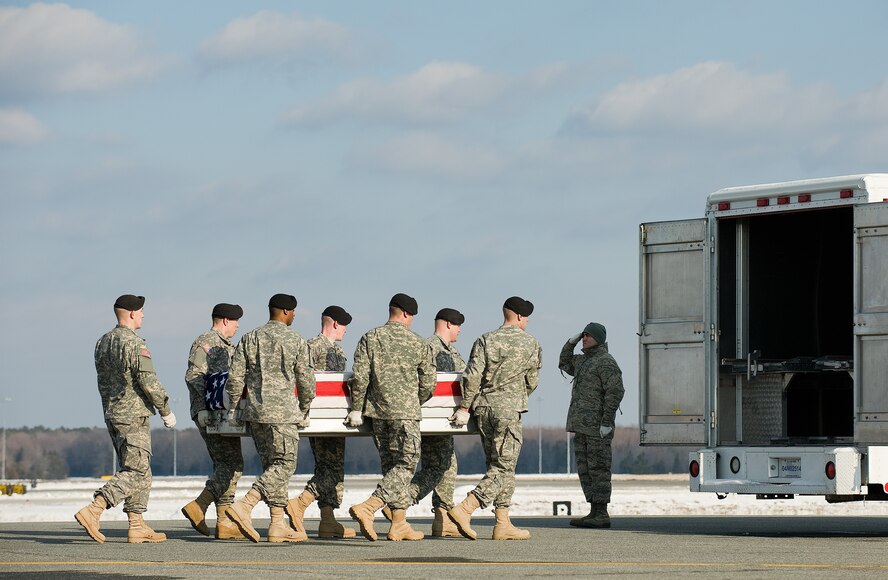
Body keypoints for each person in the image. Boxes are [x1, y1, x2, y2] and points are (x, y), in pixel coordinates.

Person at [75, 294, 176, 544]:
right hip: (133, 414)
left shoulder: (103, 342)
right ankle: (95, 509)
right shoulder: (134, 343)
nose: (143, 315)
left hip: (113, 411)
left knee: (140, 468)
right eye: (140, 311)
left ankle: (136, 524)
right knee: (136, 469)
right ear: (131, 313)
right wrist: (165, 409)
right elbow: (148, 380)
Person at [447, 296, 542, 541]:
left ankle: (502, 522)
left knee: (496, 466)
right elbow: (532, 381)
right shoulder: (530, 344)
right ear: (520, 317)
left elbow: (471, 376)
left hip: (483, 409)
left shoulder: (485, 340)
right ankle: (466, 508)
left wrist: (466, 406)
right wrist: (516, 396)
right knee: (504, 466)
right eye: (527, 317)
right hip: (508, 410)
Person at [225, 293, 316, 543]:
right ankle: (246, 505)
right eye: (294, 312)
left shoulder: (250, 337)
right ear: (286, 312)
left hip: (255, 414)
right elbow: (306, 378)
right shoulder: (295, 339)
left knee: (273, 468)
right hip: (283, 414)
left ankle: (277, 524)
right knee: (285, 465)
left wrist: (233, 406)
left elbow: (235, 377)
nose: (295, 316)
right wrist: (305, 407)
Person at [346, 293, 436, 541]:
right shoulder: (418, 342)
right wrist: (414, 400)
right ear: (407, 314)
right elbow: (429, 383)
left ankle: (399, 523)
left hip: (377, 414)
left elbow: (360, 377)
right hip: (405, 413)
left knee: (391, 467)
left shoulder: (370, 337)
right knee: (406, 464)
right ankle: (369, 506)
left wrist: (357, 408)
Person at [286, 305, 357, 539]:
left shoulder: (338, 351)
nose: (346, 329)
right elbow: (303, 381)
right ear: (335, 324)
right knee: (330, 469)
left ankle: (327, 519)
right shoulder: (311, 347)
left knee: (333, 467)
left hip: (336, 419)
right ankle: (300, 503)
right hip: (319, 418)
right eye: (344, 324)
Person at [181, 303, 246, 540]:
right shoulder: (206, 341)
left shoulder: (228, 345)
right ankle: (200, 504)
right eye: (236, 321)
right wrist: (203, 408)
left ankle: (224, 522)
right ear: (225, 321)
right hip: (209, 414)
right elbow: (194, 375)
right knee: (231, 464)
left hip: (221, 414)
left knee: (227, 463)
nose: (238, 326)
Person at [403, 307, 466, 537]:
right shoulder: (429, 347)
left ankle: (443, 518)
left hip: (444, 419)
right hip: (431, 418)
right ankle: (401, 500)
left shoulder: (452, 351)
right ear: (448, 324)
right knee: (439, 466)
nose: (459, 330)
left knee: (447, 465)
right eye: (458, 325)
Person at [559, 322, 624, 529]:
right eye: (584, 335)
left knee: (599, 469)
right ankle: (593, 511)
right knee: (585, 470)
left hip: (597, 428)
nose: (585, 339)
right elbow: (564, 363)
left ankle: (602, 512)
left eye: (588, 336)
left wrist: (606, 422)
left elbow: (615, 392)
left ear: (599, 339)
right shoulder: (584, 361)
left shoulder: (605, 362)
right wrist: (571, 342)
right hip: (581, 426)